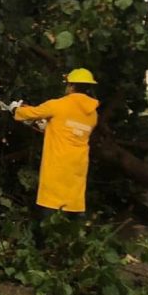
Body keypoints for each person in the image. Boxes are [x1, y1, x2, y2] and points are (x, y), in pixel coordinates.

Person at [9, 68, 99, 216]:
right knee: (71, 212)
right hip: (77, 169)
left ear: (71, 86)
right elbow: (72, 131)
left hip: (57, 166)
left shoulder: (58, 105)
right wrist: (49, 127)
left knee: (50, 212)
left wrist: (15, 110)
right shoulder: (93, 114)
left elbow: (30, 113)